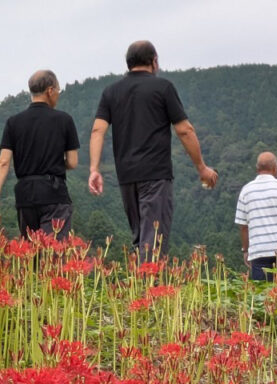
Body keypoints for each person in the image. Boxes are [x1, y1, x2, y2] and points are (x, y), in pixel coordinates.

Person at [87, 40, 218, 260]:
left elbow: (97, 131)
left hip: (126, 176)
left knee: (140, 239)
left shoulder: (111, 92)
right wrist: (201, 167)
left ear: (128, 63)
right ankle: (150, 291)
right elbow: (185, 130)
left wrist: (94, 169)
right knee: (153, 241)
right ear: (153, 61)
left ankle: (141, 287)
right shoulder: (163, 88)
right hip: (155, 174)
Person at [0, 70, 80, 240]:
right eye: (58, 90)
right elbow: (72, 162)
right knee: (53, 255)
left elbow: (3, 162)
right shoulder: (64, 120)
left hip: (25, 196)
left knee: (31, 255)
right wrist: (54, 161)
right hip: (54, 194)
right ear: (50, 90)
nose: (58, 94)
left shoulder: (13, 122)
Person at [234, 152, 277, 281]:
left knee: (262, 296)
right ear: (275, 168)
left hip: (259, 252)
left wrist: (246, 250)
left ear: (257, 169)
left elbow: (243, 227)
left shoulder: (246, 191)